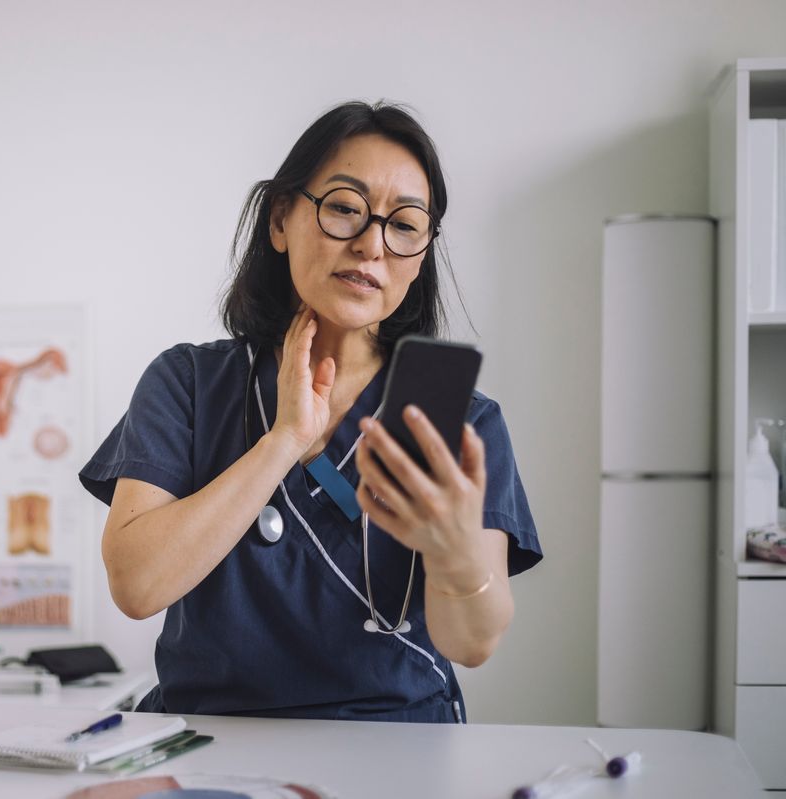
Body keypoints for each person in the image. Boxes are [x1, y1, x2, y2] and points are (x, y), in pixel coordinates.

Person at [79, 101, 541, 723]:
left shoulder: (453, 418)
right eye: (345, 209)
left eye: (405, 225)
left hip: (395, 749)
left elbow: (473, 643)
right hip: (210, 743)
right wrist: (284, 440)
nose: (372, 245)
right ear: (280, 220)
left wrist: (458, 552)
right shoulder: (189, 382)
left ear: (422, 252)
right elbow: (136, 588)